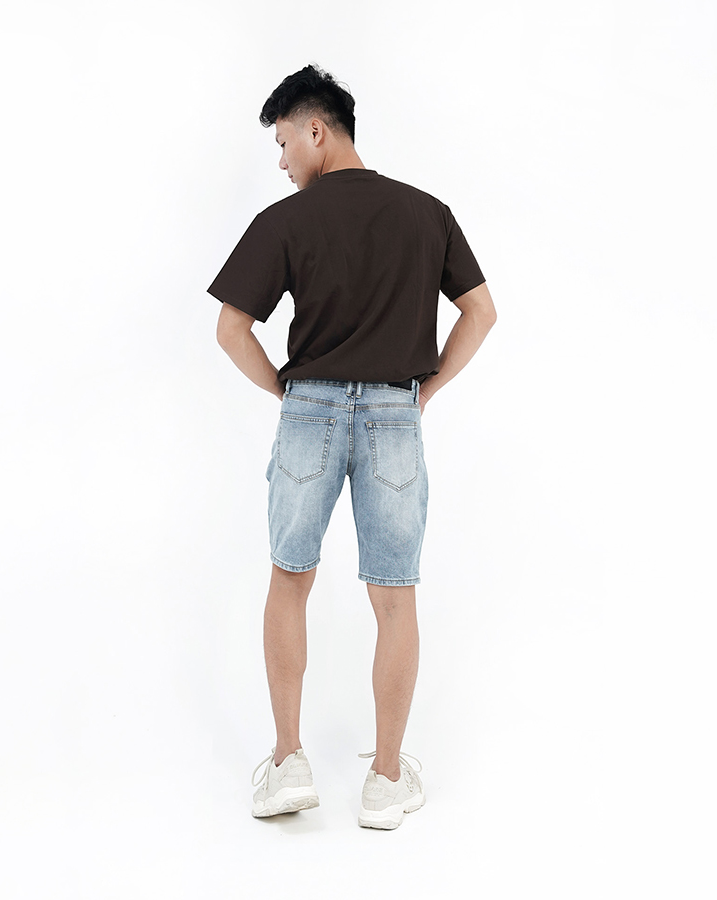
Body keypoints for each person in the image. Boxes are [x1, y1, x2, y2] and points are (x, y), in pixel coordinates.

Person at [208, 64, 496, 830]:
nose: (281, 161)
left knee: (289, 578)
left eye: (283, 142)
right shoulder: (426, 213)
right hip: (395, 416)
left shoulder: (286, 220)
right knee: (395, 596)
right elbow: (481, 312)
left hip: (309, 409)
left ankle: (287, 762)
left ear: (317, 129)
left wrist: (288, 392)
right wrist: (425, 390)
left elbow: (231, 329)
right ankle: (387, 781)